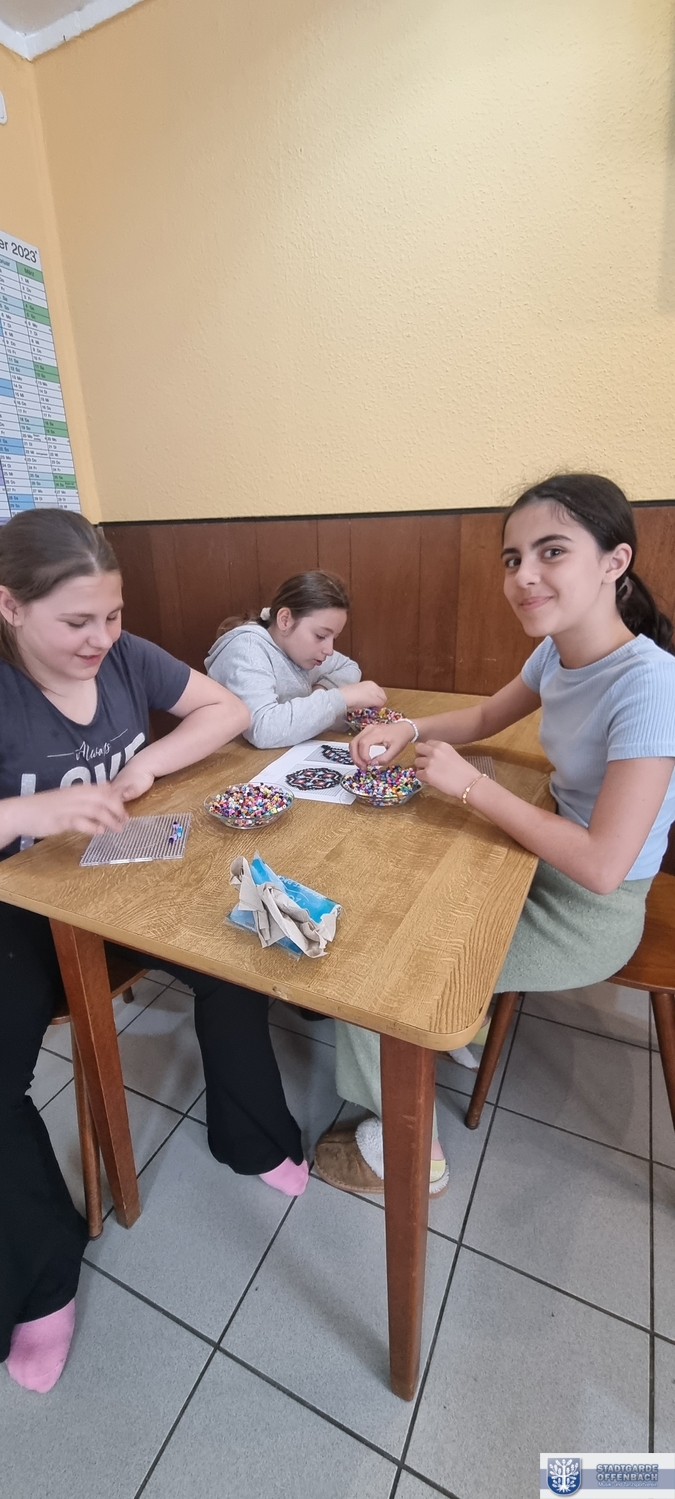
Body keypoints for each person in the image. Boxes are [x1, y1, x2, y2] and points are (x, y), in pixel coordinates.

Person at [0, 510, 308, 1398]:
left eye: (112, 615)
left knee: (237, 953)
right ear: (11, 606)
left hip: (129, 876)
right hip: (22, 908)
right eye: (76, 621)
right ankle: (44, 1280)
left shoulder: (126, 658)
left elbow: (227, 709)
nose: (99, 639)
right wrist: (31, 812)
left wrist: (146, 769)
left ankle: (250, 1137)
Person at [315, 473, 675, 1197]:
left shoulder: (650, 684)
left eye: (551, 551)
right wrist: (406, 728)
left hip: (588, 912)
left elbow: (604, 866)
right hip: (540, 862)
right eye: (513, 559)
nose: (523, 576)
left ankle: (413, 1153)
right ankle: (466, 1025)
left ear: (614, 562)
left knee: (365, 959)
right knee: (403, 876)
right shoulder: (557, 651)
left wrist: (470, 787)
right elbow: (484, 717)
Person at [205, 570, 387, 747]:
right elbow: (262, 728)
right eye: (321, 636)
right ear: (285, 620)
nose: (329, 650)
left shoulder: (301, 651)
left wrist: (321, 690)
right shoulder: (247, 650)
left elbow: (348, 667)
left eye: (334, 638)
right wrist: (341, 698)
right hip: (235, 763)